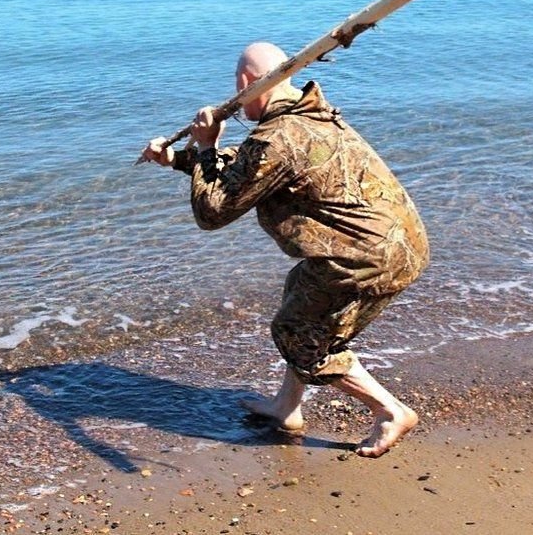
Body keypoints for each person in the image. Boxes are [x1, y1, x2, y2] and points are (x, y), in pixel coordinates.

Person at [141, 41, 429, 457]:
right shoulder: (310, 116)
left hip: (363, 257)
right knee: (301, 297)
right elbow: (249, 167)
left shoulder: (278, 136)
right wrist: (179, 160)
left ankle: (390, 411)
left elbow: (214, 211)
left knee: (297, 334)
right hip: (401, 246)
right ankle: (285, 407)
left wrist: (205, 148)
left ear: (244, 83)